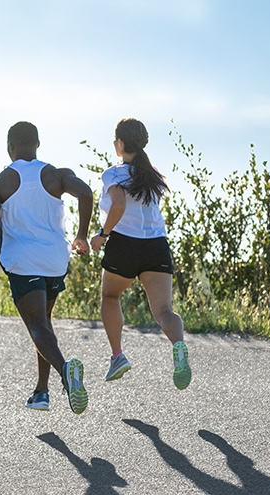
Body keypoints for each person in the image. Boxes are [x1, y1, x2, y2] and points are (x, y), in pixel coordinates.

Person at [0, 121, 92, 413]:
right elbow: (86, 194)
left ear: (10, 148)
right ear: (38, 144)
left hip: (23, 263)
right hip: (55, 261)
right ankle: (41, 392)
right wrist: (81, 235)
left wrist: (1, 234)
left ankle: (67, 374)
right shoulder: (57, 174)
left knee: (38, 327)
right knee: (44, 324)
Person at [90, 118, 191, 390]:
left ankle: (117, 356)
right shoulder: (153, 175)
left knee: (110, 297)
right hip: (156, 245)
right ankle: (179, 347)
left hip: (124, 243)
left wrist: (102, 234)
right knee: (164, 311)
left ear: (120, 144)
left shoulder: (114, 173)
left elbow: (119, 204)